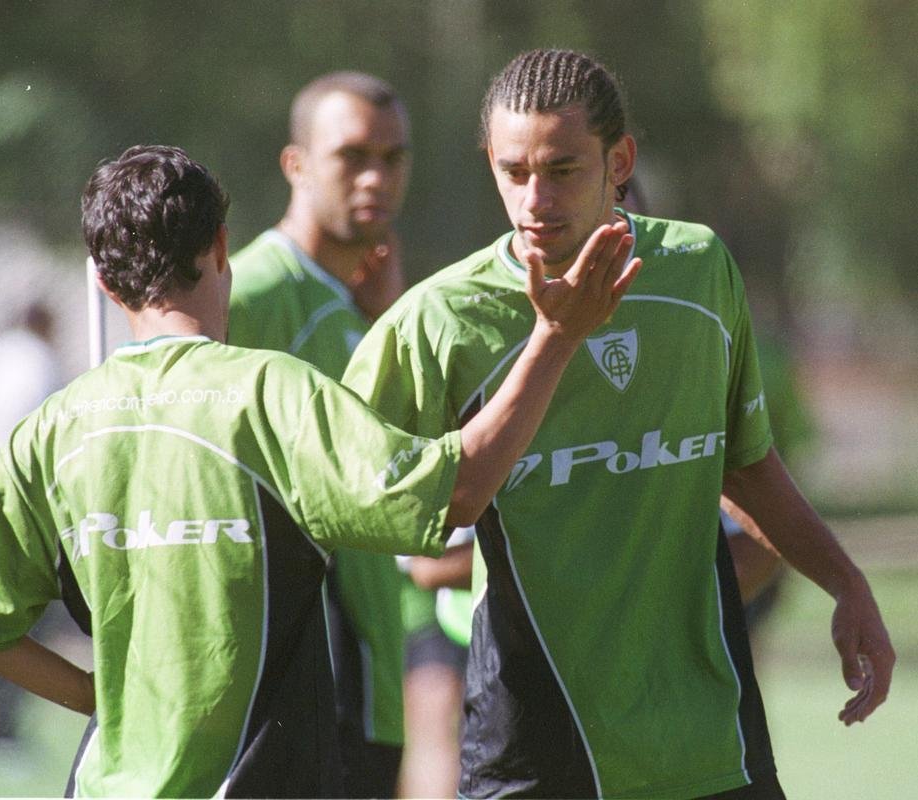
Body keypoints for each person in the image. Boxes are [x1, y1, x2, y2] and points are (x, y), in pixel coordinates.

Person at [0, 143, 640, 798]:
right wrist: (554, 336)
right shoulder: (269, 394)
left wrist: (100, 697)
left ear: (105, 282)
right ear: (222, 245)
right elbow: (457, 493)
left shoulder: (57, 427)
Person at [342, 49, 895, 799]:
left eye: (562, 169)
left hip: (705, 740)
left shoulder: (699, 272)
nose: (535, 199)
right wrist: (555, 338)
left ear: (619, 161)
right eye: (513, 171)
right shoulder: (439, 320)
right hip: (535, 746)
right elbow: (400, 502)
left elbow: (745, 466)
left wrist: (846, 584)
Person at [226, 71, 411, 797]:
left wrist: (383, 321)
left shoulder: (364, 306)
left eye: (392, 158)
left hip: (369, 682)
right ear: (296, 164)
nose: (376, 178)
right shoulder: (248, 294)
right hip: (293, 692)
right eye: (352, 156)